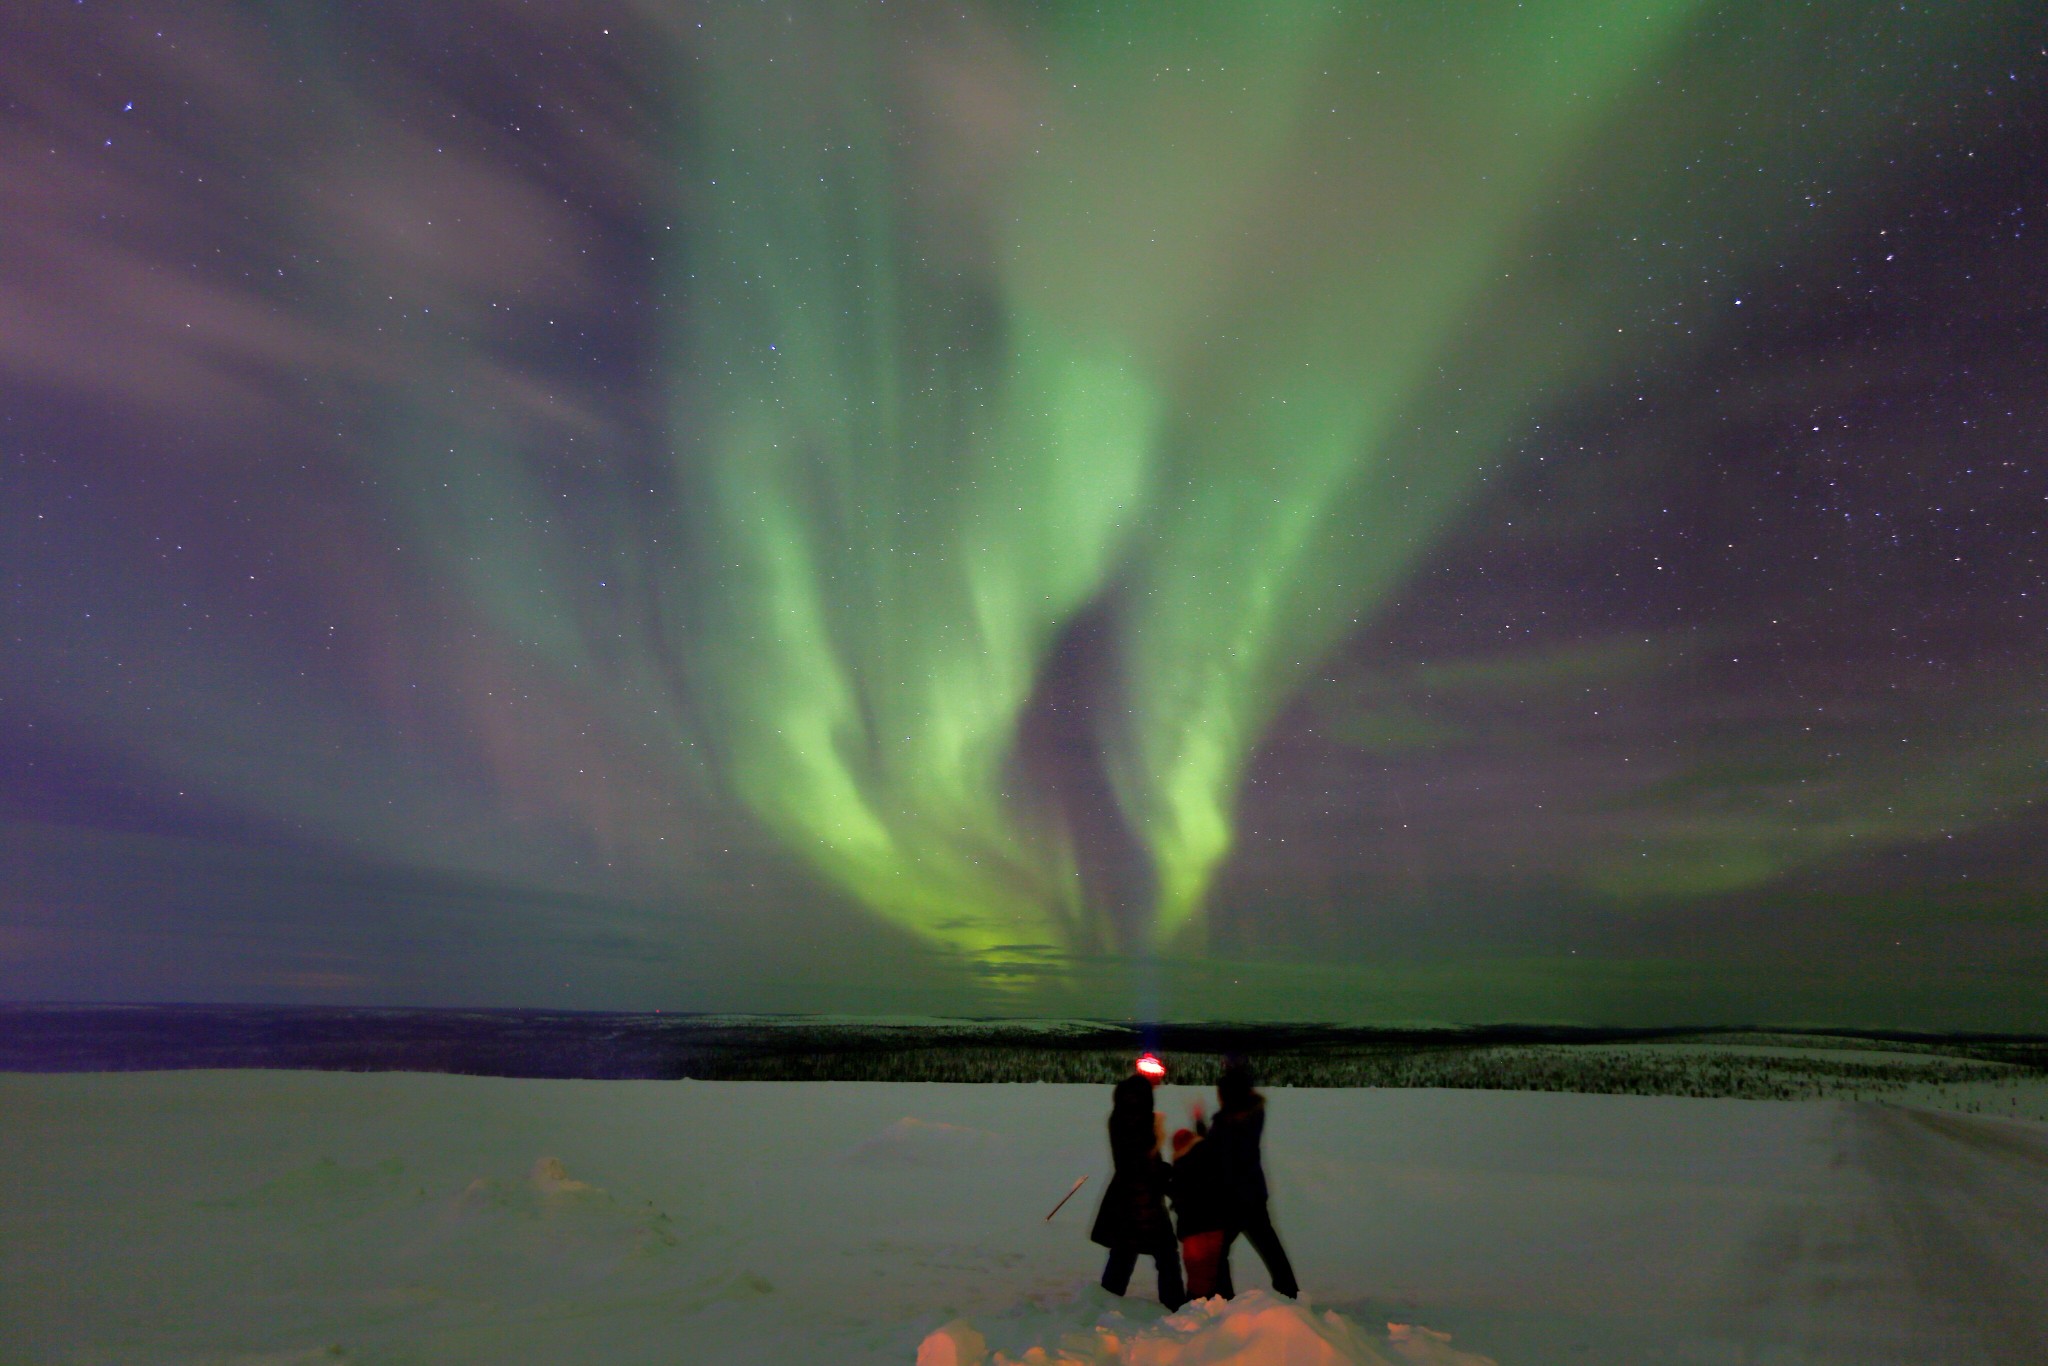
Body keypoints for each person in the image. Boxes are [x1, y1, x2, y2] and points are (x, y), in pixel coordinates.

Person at [1198, 1056, 1298, 1299]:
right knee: (1268, 1246)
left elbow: (1215, 1154)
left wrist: (1202, 1133)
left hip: (1232, 1197)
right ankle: (1290, 1292)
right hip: (1252, 1192)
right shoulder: (1253, 1114)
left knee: (1219, 1252)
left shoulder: (1226, 1123)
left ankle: (1223, 1299)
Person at [1089, 1071, 1186, 1309]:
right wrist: (1169, 1176)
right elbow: (1143, 1165)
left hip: (1126, 1200)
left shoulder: (1122, 1117)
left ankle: (1104, 1305)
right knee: (1166, 1256)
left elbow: (1139, 1163)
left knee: (1124, 1255)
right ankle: (1175, 1307)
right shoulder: (1139, 1123)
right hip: (1143, 1202)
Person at [1168, 1126, 1226, 1299]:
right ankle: (1219, 1308)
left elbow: (1178, 1193)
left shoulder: (1180, 1166)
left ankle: (1196, 1309)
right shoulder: (1211, 1156)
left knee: (1196, 1274)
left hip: (1193, 1227)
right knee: (1213, 1271)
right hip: (1216, 1224)